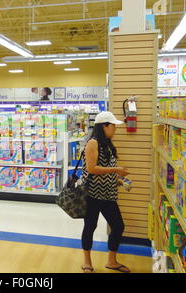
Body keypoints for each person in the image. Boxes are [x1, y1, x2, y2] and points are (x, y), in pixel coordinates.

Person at [80, 111, 131, 273]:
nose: (115, 129)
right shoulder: (93, 143)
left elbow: (105, 171)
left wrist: (119, 181)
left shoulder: (108, 144)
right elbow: (92, 169)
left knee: (118, 226)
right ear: (104, 126)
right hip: (92, 194)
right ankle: (87, 262)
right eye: (113, 126)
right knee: (90, 226)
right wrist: (117, 169)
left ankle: (112, 261)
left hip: (108, 194)